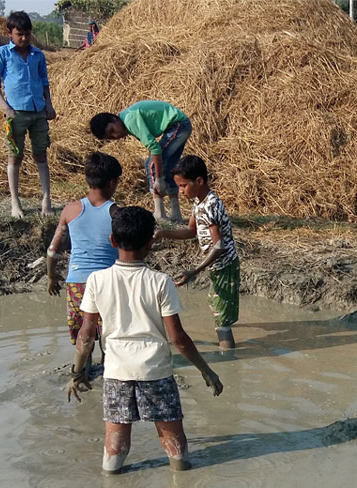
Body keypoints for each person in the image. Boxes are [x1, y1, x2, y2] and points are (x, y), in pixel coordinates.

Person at [65, 206, 223, 475]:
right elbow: (178, 338)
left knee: (115, 447)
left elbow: (86, 334)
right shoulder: (161, 282)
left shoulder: (97, 280)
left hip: (116, 373)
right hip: (156, 372)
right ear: (151, 243)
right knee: (174, 445)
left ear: (113, 241)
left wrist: (77, 373)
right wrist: (206, 370)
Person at [154, 156, 240, 350]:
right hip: (216, 265)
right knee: (218, 306)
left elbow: (219, 246)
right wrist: (164, 233)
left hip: (224, 265)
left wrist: (193, 271)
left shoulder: (211, 205)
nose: (180, 191)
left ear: (199, 181)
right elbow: (191, 231)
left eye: (183, 185)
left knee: (222, 322)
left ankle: (229, 360)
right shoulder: (198, 202)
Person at [45, 152, 121, 353]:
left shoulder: (70, 210)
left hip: (77, 282)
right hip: (108, 281)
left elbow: (53, 251)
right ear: (112, 182)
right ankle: (109, 372)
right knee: (110, 333)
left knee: (83, 333)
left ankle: (81, 375)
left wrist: (52, 277)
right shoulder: (116, 213)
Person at [0, 10, 55, 219]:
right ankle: (15, 202)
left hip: (38, 113)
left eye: (27, 34)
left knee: (41, 156)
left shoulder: (38, 55)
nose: (24, 38)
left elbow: (44, 83)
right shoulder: (2, 54)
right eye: (20, 34)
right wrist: (5, 108)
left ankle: (46, 200)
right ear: (10, 33)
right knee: (14, 157)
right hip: (16, 114)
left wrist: (49, 106)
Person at [89, 100, 191, 223]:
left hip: (178, 125)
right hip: (181, 125)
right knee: (168, 168)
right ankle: (176, 214)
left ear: (114, 118)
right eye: (111, 137)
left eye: (112, 130)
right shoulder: (127, 119)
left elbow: (154, 148)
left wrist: (158, 179)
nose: (115, 135)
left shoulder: (130, 119)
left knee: (151, 164)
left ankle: (159, 212)